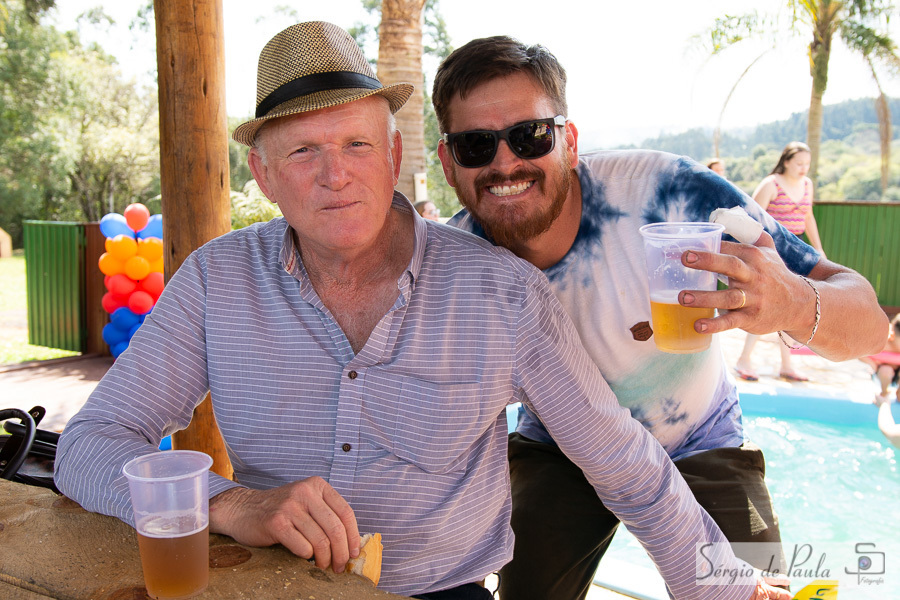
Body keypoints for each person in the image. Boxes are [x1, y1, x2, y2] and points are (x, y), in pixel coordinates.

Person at [52, 22, 786, 600]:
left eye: (356, 144)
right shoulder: (217, 280)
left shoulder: (501, 292)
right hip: (270, 584)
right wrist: (232, 503)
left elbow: (622, 461)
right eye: (303, 150)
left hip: (441, 594)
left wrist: (720, 584)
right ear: (263, 174)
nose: (334, 175)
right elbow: (91, 444)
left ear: (395, 152)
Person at [432, 35, 887, 600]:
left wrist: (795, 303)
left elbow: (869, 326)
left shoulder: (670, 193)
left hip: (702, 436)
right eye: (476, 145)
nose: (506, 163)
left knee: (758, 591)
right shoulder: (454, 270)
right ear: (448, 165)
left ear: (568, 142)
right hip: (558, 448)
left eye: (530, 136)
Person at [735, 142, 825, 382]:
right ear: (786, 161)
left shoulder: (807, 184)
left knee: (788, 308)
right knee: (765, 305)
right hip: (770, 252)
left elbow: (808, 217)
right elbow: (749, 217)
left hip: (796, 253)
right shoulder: (771, 184)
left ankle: (786, 364)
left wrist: (818, 249)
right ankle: (744, 359)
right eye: (799, 163)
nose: (803, 168)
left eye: (807, 164)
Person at [860, 313, 900, 401]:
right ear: (892, 336)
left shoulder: (896, 337)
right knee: (886, 371)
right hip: (882, 371)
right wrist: (873, 364)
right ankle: (884, 393)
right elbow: (858, 352)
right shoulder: (881, 340)